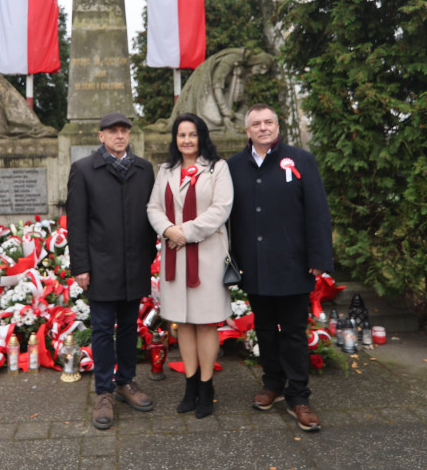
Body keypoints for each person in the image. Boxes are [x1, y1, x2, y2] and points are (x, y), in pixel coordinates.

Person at [226, 103, 333, 432]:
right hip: (254, 267)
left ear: (277, 126)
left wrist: (319, 259)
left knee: (294, 334)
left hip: (291, 265)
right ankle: (272, 383)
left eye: (268, 122)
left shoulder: (301, 161)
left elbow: (317, 211)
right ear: (247, 131)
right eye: (255, 123)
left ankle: (298, 396)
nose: (262, 127)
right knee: (265, 331)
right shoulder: (232, 167)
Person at [66, 112, 157, 431]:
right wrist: (81, 266)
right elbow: (76, 223)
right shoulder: (84, 170)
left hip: (134, 264)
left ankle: (125, 382)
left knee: (130, 327)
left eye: (124, 131)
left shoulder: (144, 170)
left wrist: (151, 255)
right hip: (101, 265)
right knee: (104, 328)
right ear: (100, 136)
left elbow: (152, 215)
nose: (120, 136)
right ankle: (103, 391)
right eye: (112, 131)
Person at [147, 113, 233, 418]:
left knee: (205, 321)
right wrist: (169, 230)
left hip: (207, 255)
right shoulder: (166, 170)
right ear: (175, 139)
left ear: (202, 137)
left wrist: (184, 232)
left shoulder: (217, 169)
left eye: (192, 135)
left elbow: (220, 209)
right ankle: (190, 384)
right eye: (181, 135)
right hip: (175, 257)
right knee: (182, 321)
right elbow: (154, 207)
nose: (186, 140)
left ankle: (207, 387)